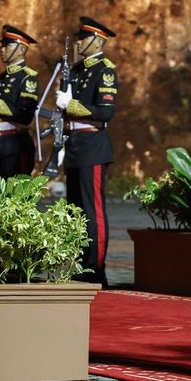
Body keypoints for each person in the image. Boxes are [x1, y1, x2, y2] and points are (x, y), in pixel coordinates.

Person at [56, 16, 118, 287]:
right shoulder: (77, 70)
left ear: (98, 40)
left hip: (92, 146)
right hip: (74, 146)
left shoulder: (104, 70)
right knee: (74, 210)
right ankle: (78, 263)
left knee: (92, 212)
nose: (79, 42)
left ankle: (95, 267)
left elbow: (105, 112)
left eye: (84, 38)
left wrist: (72, 105)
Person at [0, 25, 38, 178]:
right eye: (2, 46)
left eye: (8, 45)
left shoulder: (27, 77)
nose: (2, 49)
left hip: (16, 145)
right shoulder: (2, 78)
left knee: (15, 197)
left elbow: (25, 115)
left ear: (21, 49)